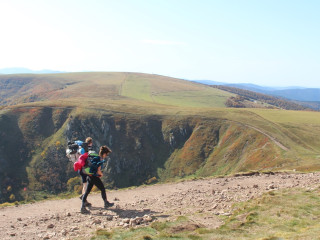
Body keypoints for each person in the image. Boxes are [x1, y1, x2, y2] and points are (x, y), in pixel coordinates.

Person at [81, 145, 114, 214]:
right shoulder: (100, 159)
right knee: (102, 189)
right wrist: (101, 174)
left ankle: (82, 207)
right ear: (104, 154)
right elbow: (98, 170)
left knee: (87, 192)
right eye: (106, 154)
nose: (106, 156)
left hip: (89, 176)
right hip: (94, 177)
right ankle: (106, 203)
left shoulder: (96, 157)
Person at [78, 137, 93, 206]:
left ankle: (83, 197)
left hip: (80, 169)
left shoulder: (81, 149)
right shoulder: (87, 149)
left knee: (84, 184)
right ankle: (84, 199)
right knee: (88, 184)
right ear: (90, 143)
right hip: (85, 169)